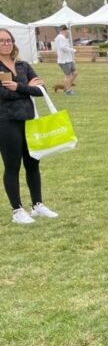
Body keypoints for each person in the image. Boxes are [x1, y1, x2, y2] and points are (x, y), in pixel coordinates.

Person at [0, 28, 59, 224]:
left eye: (8, 40)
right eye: (1, 41)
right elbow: (4, 95)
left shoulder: (23, 65)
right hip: (7, 121)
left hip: (29, 119)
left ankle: (37, 205)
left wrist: (18, 87)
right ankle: (17, 210)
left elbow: (41, 90)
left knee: (33, 163)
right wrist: (27, 88)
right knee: (12, 166)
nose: (6, 43)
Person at [53, 25, 77, 95]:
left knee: (75, 73)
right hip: (64, 60)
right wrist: (73, 50)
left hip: (68, 59)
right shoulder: (61, 37)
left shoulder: (60, 37)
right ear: (64, 30)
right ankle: (68, 91)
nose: (68, 32)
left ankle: (66, 87)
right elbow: (63, 47)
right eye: (67, 31)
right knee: (68, 76)